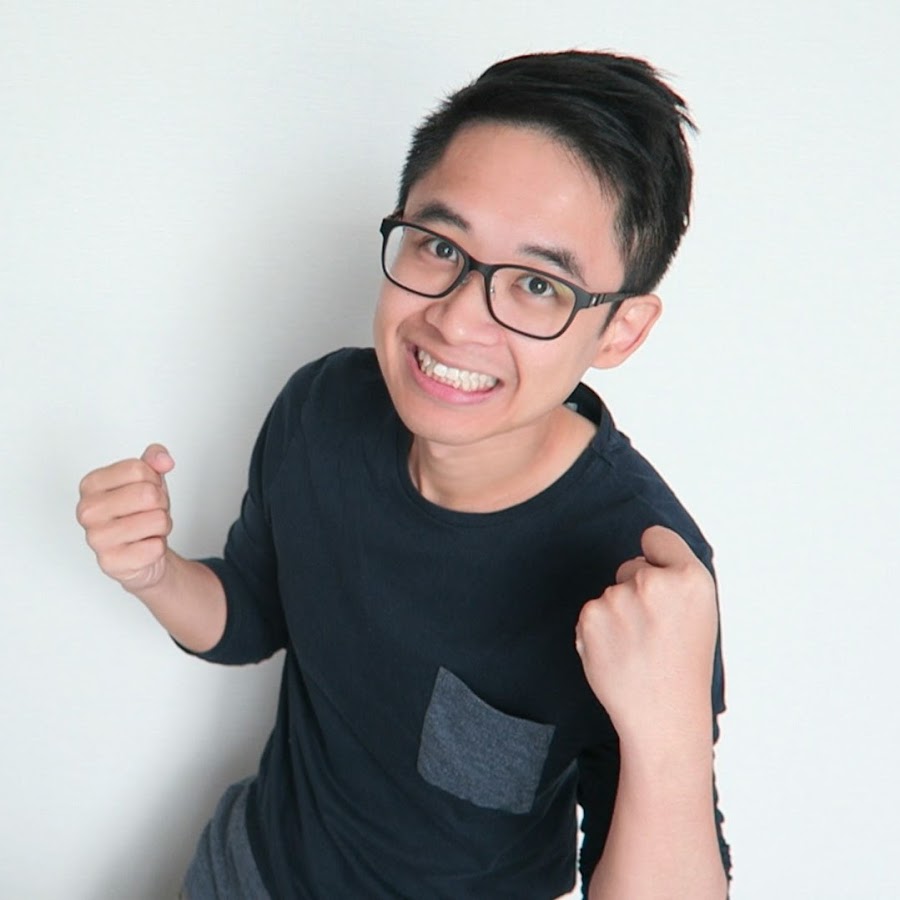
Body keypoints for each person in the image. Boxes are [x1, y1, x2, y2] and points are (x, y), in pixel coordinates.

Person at [76, 50, 730, 899]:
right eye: (439, 245)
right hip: (244, 874)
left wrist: (671, 734)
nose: (456, 319)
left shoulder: (645, 572)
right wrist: (154, 573)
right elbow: (252, 616)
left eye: (537, 285)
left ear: (621, 332)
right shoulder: (323, 408)